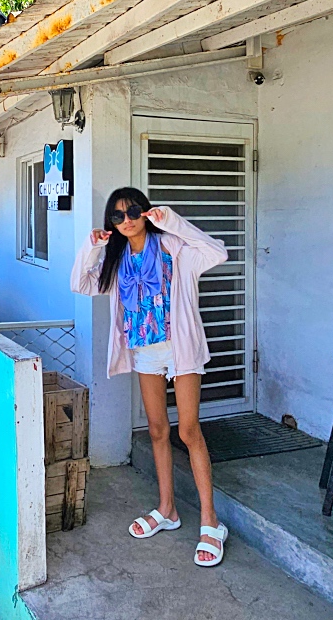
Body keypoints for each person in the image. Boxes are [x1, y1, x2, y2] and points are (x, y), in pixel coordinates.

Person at [70, 187, 230, 567]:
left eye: (133, 211)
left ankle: (211, 521)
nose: (127, 220)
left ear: (147, 211)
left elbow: (218, 252)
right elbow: (80, 283)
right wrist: (90, 248)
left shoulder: (174, 247)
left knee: (188, 430)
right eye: (117, 216)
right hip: (145, 352)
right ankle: (168, 509)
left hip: (181, 349)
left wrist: (171, 220)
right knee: (157, 430)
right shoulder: (116, 259)